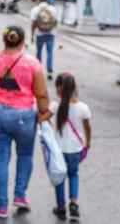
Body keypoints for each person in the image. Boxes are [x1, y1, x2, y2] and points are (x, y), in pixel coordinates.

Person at [0, 26, 50, 219]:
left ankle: (2, 206)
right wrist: (44, 113)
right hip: (24, 117)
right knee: (24, 155)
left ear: (4, 39)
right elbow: (41, 94)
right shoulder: (33, 64)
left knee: (0, 159)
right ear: (23, 42)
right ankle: (20, 196)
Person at [48, 73, 92, 222]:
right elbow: (87, 129)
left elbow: (42, 118)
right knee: (73, 175)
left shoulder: (55, 106)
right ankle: (73, 203)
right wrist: (87, 145)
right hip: (75, 150)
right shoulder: (83, 108)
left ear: (58, 89)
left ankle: (61, 207)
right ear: (74, 88)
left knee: (59, 178)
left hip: (58, 150)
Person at [31, 0, 57, 80]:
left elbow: (33, 23)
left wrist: (32, 35)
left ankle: (38, 71)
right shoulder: (53, 9)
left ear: (39, 1)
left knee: (39, 52)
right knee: (50, 53)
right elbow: (55, 22)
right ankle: (49, 72)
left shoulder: (35, 9)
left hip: (39, 34)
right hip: (51, 34)